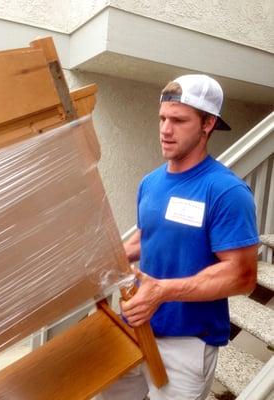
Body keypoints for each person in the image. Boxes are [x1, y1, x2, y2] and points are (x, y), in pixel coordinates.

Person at [100, 74, 259, 400]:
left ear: (207, 124)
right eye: (162, 118)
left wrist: (163, 291)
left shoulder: (226, 191)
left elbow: (242, 276)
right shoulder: (150, 182)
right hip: (136, 326)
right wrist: (104, 256)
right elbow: (147, 237)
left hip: (187, 343)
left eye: (178, 120)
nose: (165, 129)